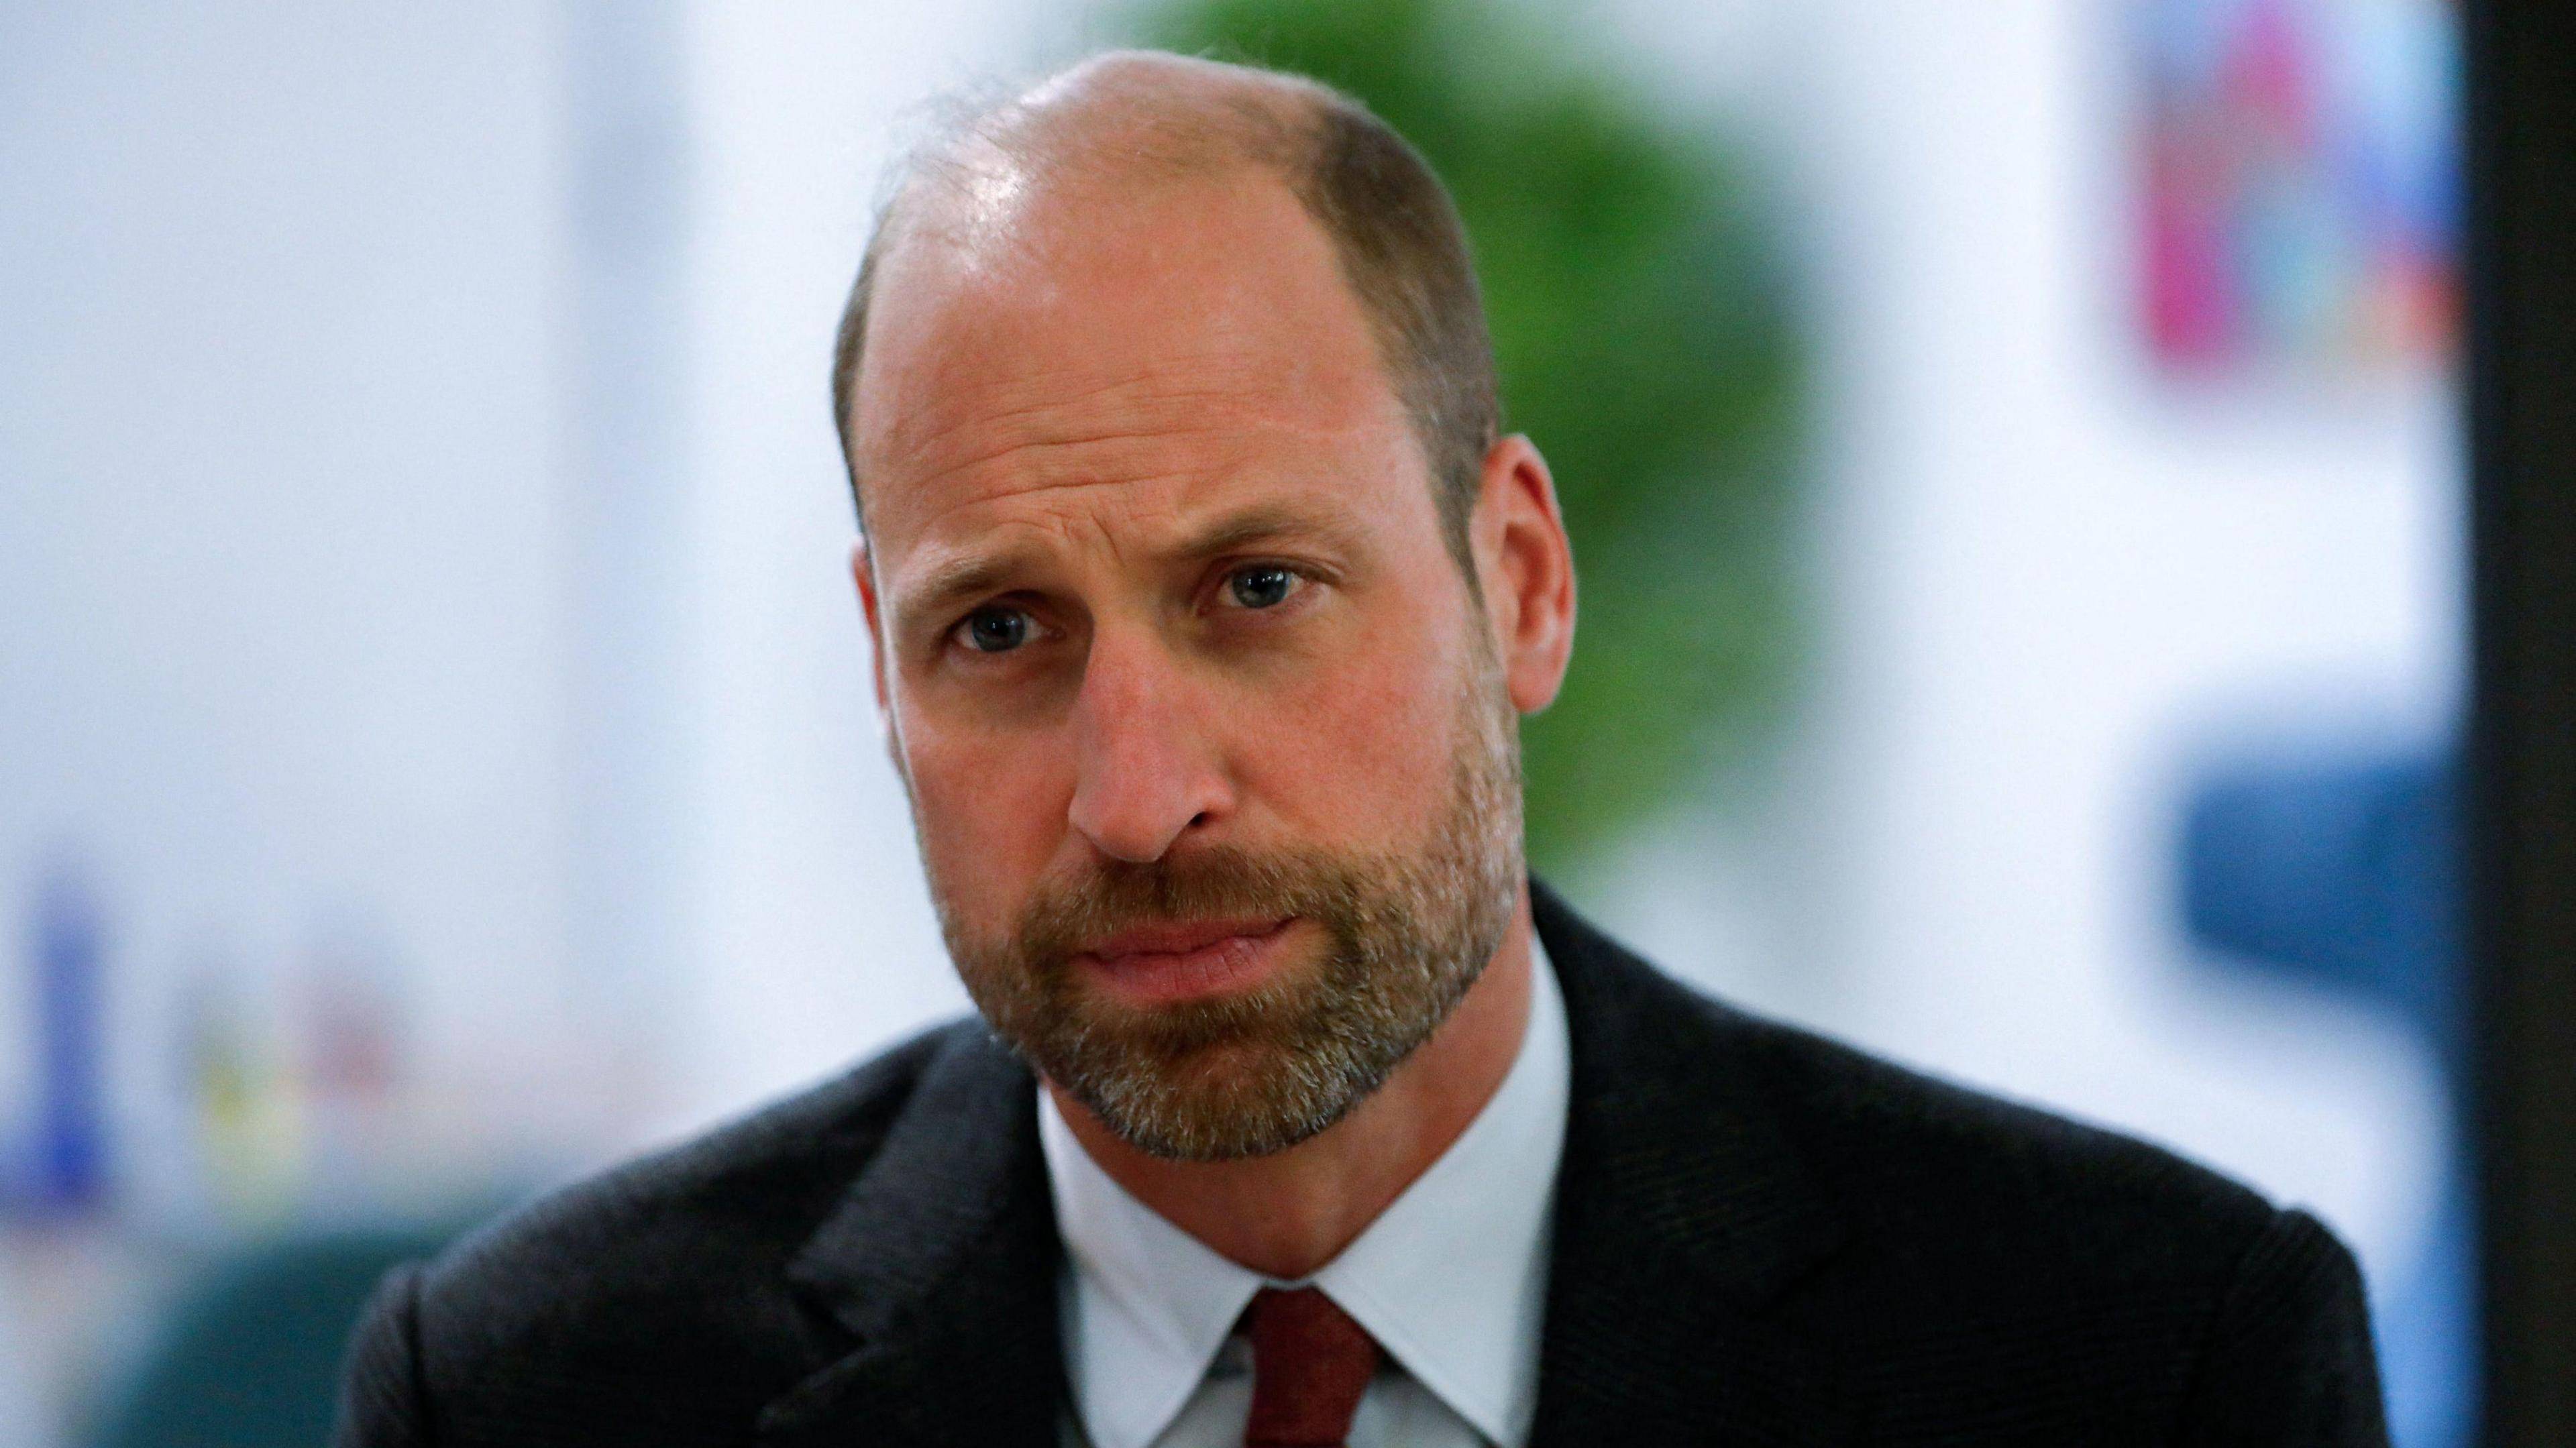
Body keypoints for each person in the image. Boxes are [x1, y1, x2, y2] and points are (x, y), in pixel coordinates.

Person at [332, 50, 2387, 1447]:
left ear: (1522, 582)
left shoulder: (2141, 1363)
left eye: (1256, 593)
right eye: (1002, 631)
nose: (1137, 798)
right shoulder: (535, 1400)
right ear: (884, 667)